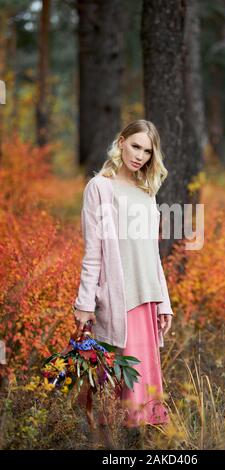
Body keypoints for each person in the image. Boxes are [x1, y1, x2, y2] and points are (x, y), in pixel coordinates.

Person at [73, 119, 174, 434]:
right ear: (121, 142)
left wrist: (164, 302)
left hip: (147, 297)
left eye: (147, 150)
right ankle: (113, 444)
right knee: (120, 383)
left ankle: (139, 444)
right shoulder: (100, 187)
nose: (140, 156)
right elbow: (93, 252)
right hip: (120, 298)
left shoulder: (147, 191)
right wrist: (84, 303)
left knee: (142, 388)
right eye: (135, 146)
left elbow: (151, 254)